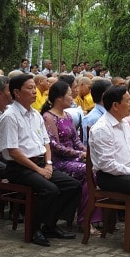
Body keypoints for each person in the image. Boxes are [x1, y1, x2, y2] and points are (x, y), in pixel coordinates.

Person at [0, 74, 81, 247]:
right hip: (19, 167)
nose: (34, 91)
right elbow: (13, 151)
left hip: (41, 163)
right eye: (29, 88)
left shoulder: (35, 114)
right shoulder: (9, 117)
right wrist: (38, 169)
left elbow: (46, 142)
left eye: (34, 87)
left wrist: (48, 164)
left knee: (72, 185)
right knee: (49, 190)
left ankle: (50, 225)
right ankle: (34, 229)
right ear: (17, 93)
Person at [89, 86, 130, 257]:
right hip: (109, 176)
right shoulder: (102, 128)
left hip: (128, 170)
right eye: (127, 101)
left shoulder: (124, 123)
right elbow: (107, 164)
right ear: (115, 105)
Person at [41, 81, 102, 236]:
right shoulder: (49, 117)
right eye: (69, 94)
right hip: (58, 161)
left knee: (94, 169)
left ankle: (86, 218)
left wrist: (86, 152)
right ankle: (85, 219)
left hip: (72, 159)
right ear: (59, 98)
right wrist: (79, 154)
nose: (72, 97)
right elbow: (54, 145)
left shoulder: (67, 115)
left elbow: (76, 141)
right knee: (89, 172)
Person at [81, 79, 112, 144]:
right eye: (112, 93)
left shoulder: (112, 113)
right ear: (104, 95)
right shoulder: (91, 119)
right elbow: (89, 145)